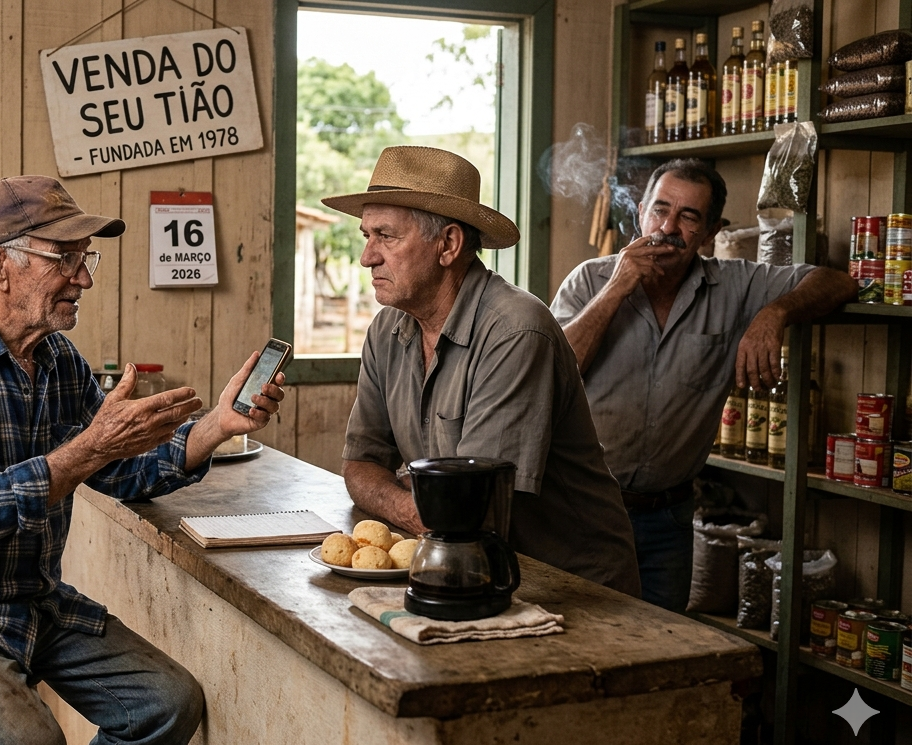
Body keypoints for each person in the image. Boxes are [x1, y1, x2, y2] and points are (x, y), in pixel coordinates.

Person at [0, 175, 285, 745]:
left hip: (28, 600)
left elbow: (122, 473)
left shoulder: (56, 360)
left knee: (165, 704)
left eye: (86, 259)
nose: (84, 278)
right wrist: (90, 447)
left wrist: (216, 426)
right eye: (65, 259)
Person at [323, 146, 642, 596]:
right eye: (366, 236)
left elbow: (473, 510)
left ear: (449, 245)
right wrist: (415, 508)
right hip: (471, 569)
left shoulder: (515, 331)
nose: (367, 257)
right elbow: (360, 464)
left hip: (574, 588)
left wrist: (408, 498)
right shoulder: (387, 330)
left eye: (386, 236)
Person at [551, 158, 856, 611]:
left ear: (711, 232)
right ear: (640, 213)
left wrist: (774, 313)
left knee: (663, 645)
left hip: (669, 520)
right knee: (577, 637)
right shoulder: (589, 279)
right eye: (660, 210)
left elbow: (837, 283)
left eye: (688, 217)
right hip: (582, 510)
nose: (668, 227)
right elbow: (556, 373)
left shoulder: (734, 285)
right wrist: (616, 288)